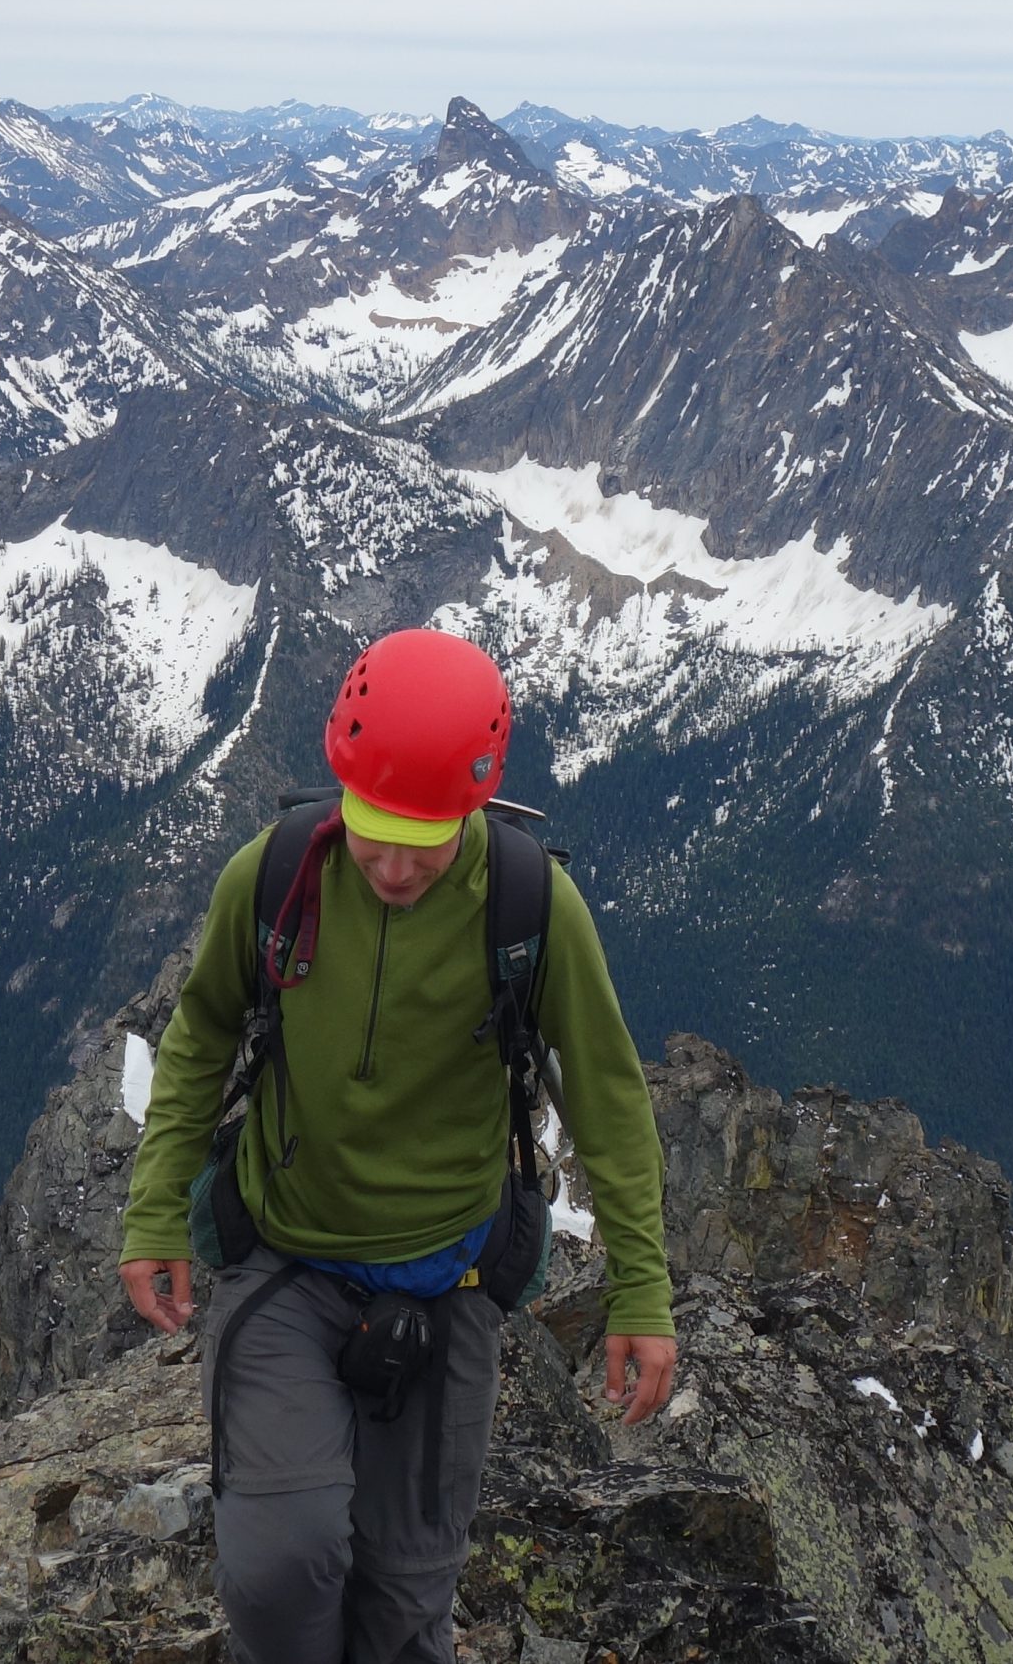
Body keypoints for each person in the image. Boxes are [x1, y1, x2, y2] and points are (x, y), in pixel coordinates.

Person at [117, 627, 676, 1664]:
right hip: (285, 1263)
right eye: (373, 830)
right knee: (278, 1568)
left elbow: (606, 1093)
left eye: (424, 838)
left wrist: (642, 1288)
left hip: (447, 1280)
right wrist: (155, 1210)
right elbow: (198, 1039)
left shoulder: (529, 907)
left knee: (406, 1607)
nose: (393, 863)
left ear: (475, 804)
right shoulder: (273, 875)